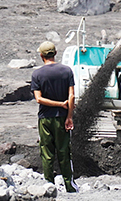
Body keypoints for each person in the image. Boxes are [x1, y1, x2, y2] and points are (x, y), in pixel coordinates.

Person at [30, 41, 78, 193]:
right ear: (55, 53)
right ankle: (69, 185)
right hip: (62, 118)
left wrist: (57, 104)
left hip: (45, 118)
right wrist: (69, 116)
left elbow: (39, 99)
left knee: (47, 152)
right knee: (64, 151)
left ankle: (49, 184)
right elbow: (72, 96)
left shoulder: (37, 74)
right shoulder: (66, 71)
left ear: (41, 55)